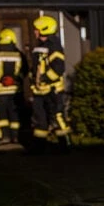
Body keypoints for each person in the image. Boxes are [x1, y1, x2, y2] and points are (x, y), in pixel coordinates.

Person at [30, 15, 70, 149]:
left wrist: (44, 78)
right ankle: (39, 146)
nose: (35, 31)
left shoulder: (54, 46)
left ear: (44, 29)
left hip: (53, 90)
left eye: (37, 29)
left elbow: (59, 68)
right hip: (40, 91)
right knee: (40, 119)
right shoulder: (41, 46)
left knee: (57, 116)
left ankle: (65, 144)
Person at [0, 28, 26, 144]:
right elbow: (25, 71)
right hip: (15, 91)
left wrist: (2, 80)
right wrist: (14, 80)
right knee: (15, 115)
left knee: (1, 115)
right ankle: (16, 137)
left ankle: (4, 137)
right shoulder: (20, 55)